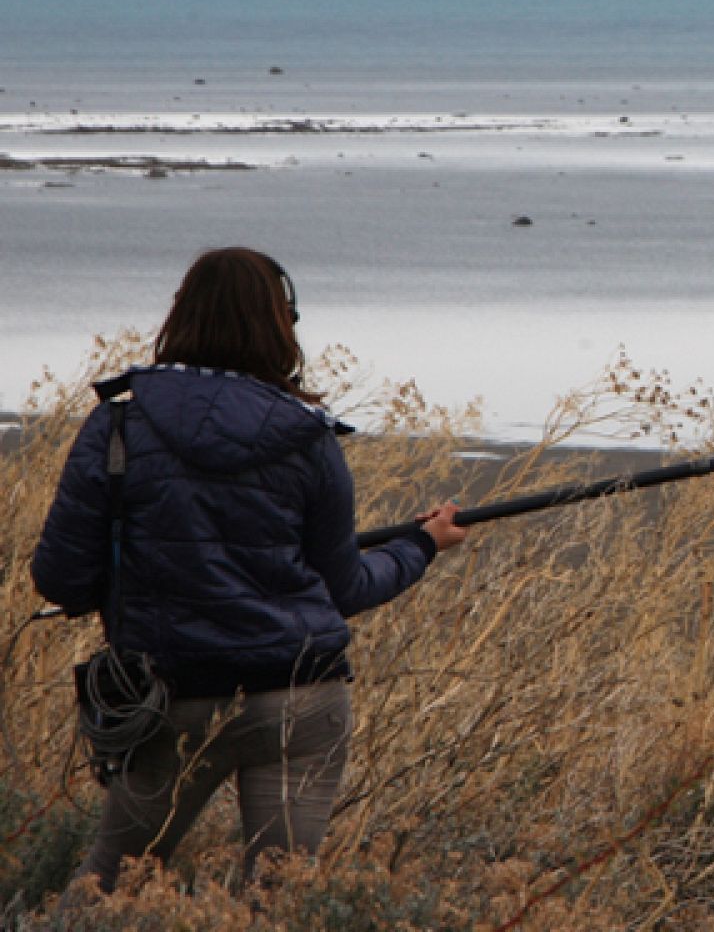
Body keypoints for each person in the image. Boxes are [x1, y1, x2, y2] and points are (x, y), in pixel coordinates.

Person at [31, 246, 467, 892]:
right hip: (299, 695)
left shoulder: (118, 421)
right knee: (277, 898)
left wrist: (131, 579)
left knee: (107, 887)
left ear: (181, 317)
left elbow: (60, 578)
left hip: (166, 699)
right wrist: (422, 545)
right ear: (280, 324)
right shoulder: (307, 436)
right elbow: (343, 586)